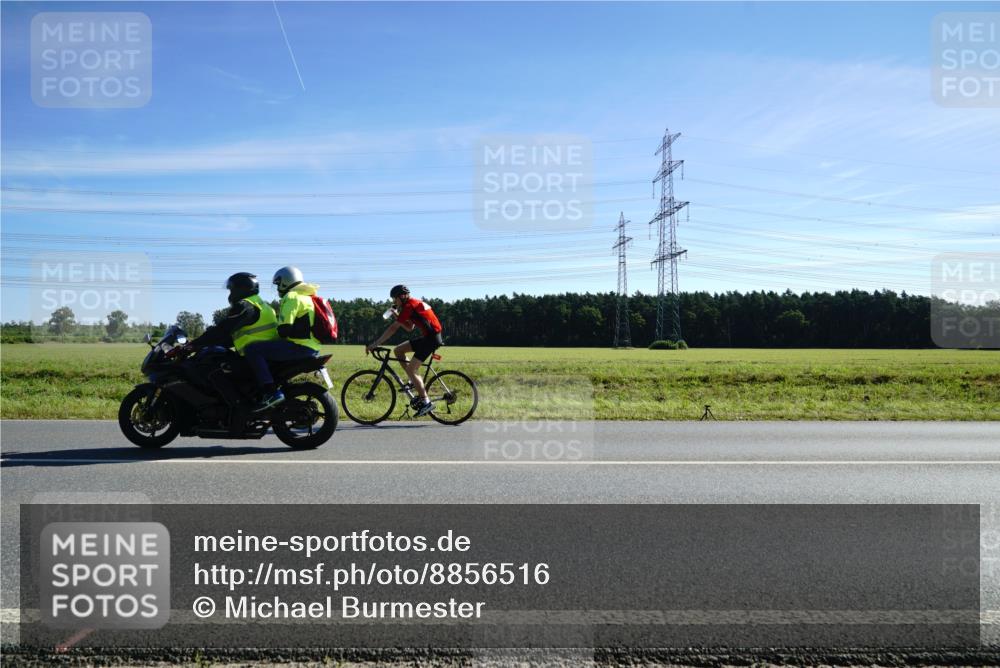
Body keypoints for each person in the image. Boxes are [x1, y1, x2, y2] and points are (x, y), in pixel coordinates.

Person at [187, 272, 280, 423]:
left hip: (255, 357)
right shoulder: (264, 306)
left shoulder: (245, 306)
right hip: (265, 355)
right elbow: (234, 336)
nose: (230, 293)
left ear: (241, 289)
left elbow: (223, 329)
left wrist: (194, 344)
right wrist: (206, 343)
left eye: (232, 289)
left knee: (213, 369)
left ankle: (240, 408)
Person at [241, 266, 321, 412]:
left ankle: (271, 392)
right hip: (313, 348)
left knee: (253, 349)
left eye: (278, 284)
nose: (278, 287)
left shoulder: (291, 297)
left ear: (286, 282)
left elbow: (284, 330)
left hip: (298, 346)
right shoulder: (308, 297)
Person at [366, 284, 443, 417]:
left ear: (402, 296)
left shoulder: (409, 306)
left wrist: (375, 343)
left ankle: (426, 402)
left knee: (411, 369)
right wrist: (397, 315)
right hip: (428, 337)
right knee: (398, 350)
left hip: (431, 339)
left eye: (394, 299)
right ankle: (413, 381)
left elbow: (393, 329)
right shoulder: (411, 305)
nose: (394, 302)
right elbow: (409, 327)